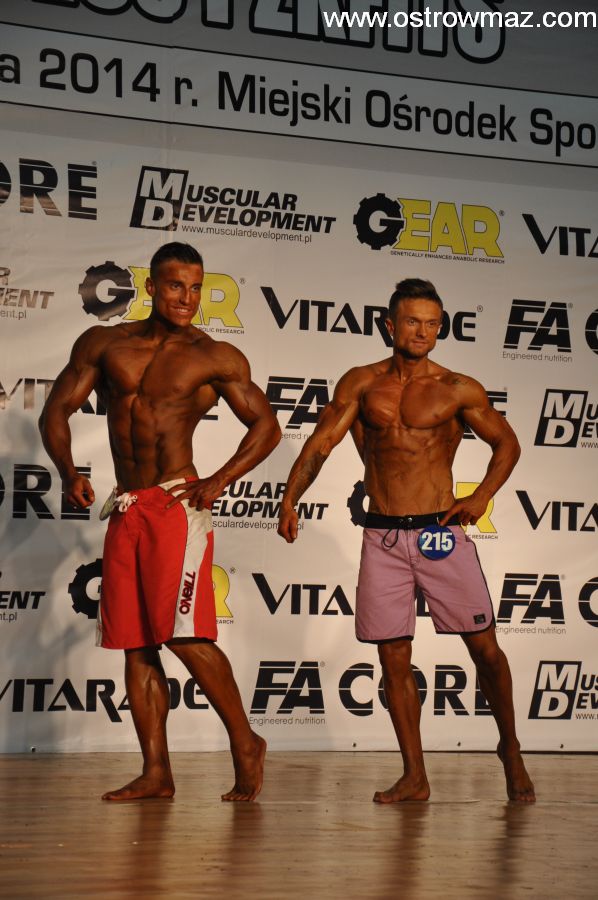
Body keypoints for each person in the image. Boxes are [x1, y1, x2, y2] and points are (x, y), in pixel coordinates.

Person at [40, 241, 281, 802]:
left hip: (176, 506)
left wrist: (219, 479)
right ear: (151, 286)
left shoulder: (214, 355)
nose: (187, 298)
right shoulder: (103, 343)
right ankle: (156, 771)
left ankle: (245, 742)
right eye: (176, 286)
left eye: (196, 288)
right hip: (128, 506)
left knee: (184, 634)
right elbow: (57, 408)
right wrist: (68, 471)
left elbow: (266, 426)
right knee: (136, 644)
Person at [278, 278, 535, 804]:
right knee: (393, 658)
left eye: (432, 323)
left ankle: (510, 748)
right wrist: (289, 498)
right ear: (389, 325)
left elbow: (507, 443)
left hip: (441, 532)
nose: (423, 332)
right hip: (384, 535)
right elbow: (322, 442)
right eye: (413, 321)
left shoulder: (457, 388)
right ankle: (415, 774)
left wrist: (482, 496)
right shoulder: (361, 383)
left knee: (485, 649)